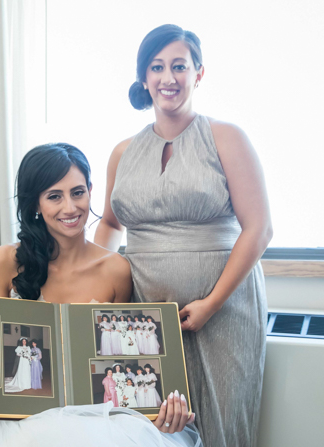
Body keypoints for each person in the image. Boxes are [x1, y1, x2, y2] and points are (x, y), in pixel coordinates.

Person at [0, 143, 198, 446]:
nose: (70, 208)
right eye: (55, 196)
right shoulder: (2, 261)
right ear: (35, 204)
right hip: (20, 420)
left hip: (98, 421)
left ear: (91, 191)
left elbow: (123, 362)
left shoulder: (116, 270)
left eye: (78, 192)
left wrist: (159, 409)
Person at [94, 23, 272, 446]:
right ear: (144, 78)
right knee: (147, 424)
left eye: (179, 66)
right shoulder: (122, 152)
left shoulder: (226, 138)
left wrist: (212, 303)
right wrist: (94, 288)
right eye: (157, 67)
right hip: (143, 316)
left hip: (224, 313)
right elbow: (111, 225)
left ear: (199, 74)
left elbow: (259, 229)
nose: (168, 77)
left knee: (221, 426)